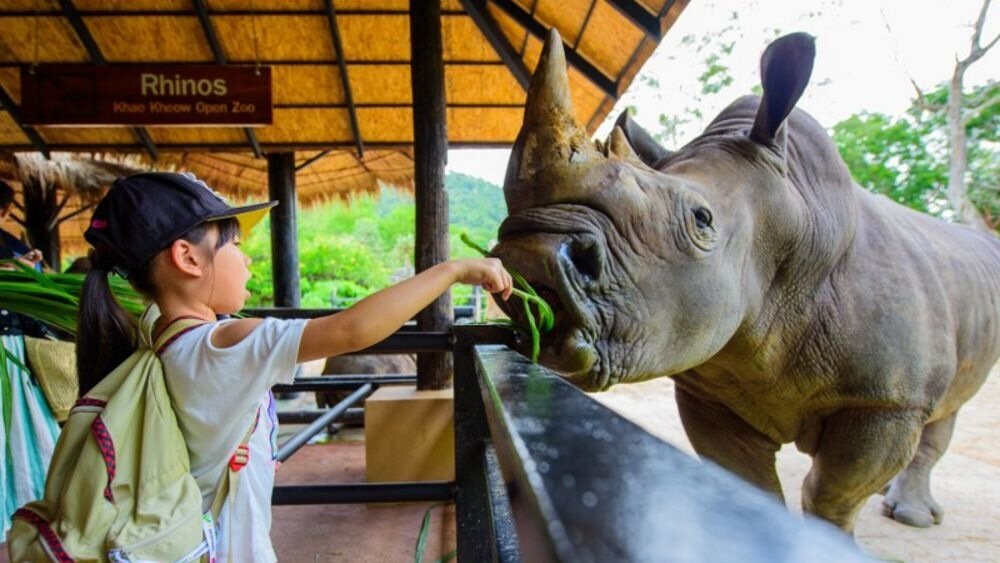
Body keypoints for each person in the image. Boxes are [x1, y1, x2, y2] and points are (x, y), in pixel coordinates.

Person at [76, 172, 512, 562]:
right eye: (234, 245)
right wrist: (453, 271)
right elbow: (351, 330)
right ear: (188, 258)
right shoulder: (225, 343)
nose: (247, 260)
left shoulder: (159, 337)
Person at [0, 180, 59, 538]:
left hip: (12, 352)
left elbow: (42, 282)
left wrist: (31, 268)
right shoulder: (11, 246)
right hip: (11, 350)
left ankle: (26, 506)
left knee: (18, 428)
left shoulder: (14, 246)